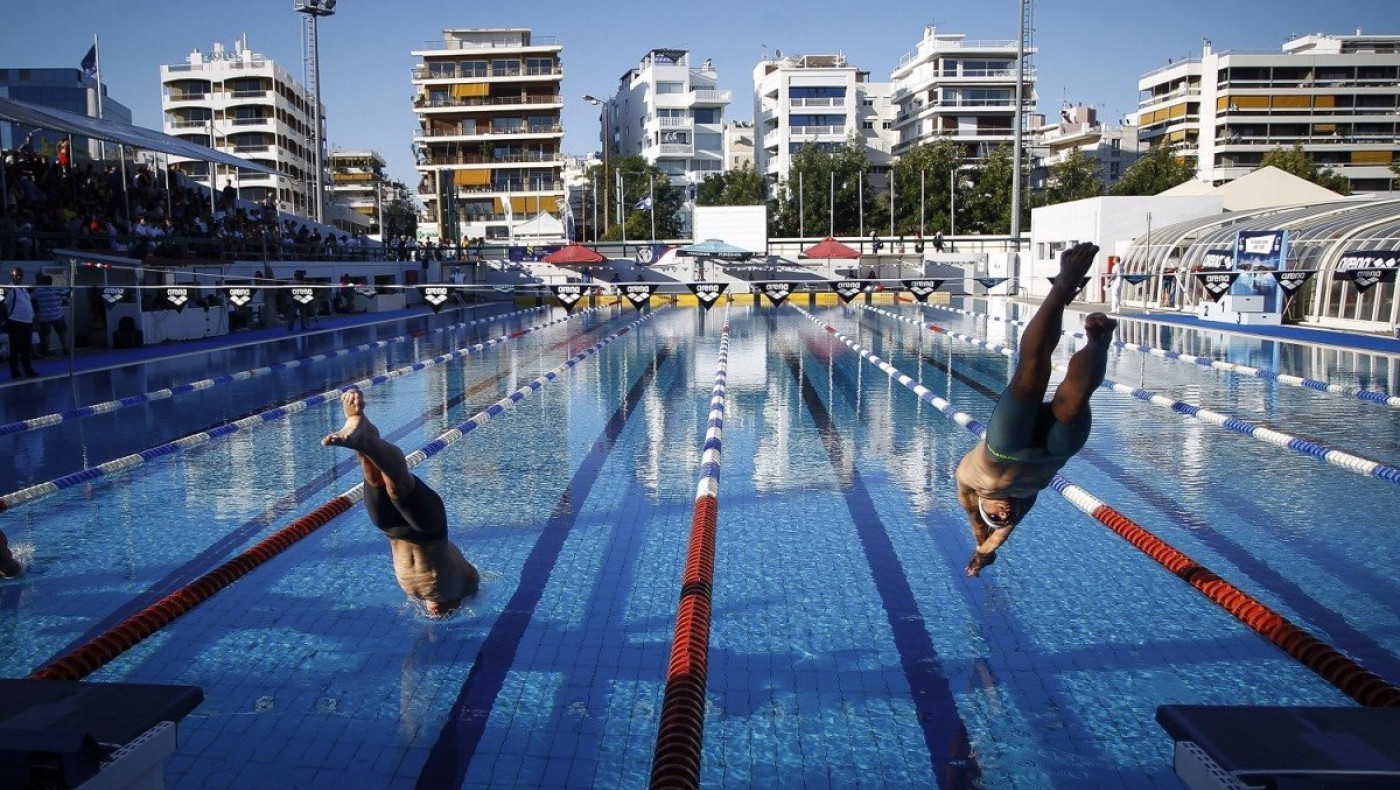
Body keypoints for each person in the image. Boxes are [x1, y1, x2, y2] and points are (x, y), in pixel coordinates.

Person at [955, 242, 1117, 576]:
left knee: (1031, 373)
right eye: (1006, 519)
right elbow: (1002, 532)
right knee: (1075, 401)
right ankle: (1097, 344)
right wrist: (992, 543)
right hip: (1054, 451)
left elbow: (985, 535)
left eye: (994, 517)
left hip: (1006, 447)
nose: (1003, 514)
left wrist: (979, 554)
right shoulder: (1023, 503)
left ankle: (1063, 285)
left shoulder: (971, 494)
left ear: (981, 508)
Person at [322, 388, 480, 615]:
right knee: (399, 486)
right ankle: (363, 440)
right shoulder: (467, 586)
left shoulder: (428, 593)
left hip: (393, 530)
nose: (434, 613)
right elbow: (464, 573)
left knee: (374, 477)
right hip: (429, 532)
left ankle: (360, 428)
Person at [2, 266, 39, 379]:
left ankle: (28, 369)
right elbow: (2, 305)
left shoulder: (23, 289)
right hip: (15, 322)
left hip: (27, 322)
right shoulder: (8, 289)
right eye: (16, 276)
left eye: (21, 276)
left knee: (26, 347)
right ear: (12, 277)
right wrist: (7, 319)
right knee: (15, 347)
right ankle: (15, 371)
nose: (19, 278)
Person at [32, 273, 69, 357]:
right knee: (62, 333)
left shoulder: (37, 291)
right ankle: (65, 349)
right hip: (58, 315)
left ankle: (47, 351)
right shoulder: (56, 290)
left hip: (45, 317)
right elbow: (67, 295)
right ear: (51, 282)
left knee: (46, 335)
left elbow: (31, 297)